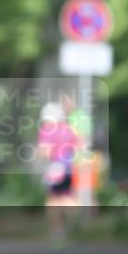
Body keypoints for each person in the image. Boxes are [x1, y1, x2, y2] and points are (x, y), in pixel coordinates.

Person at [38, 102, 80, 242]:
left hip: (55, 167)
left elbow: (46, 151)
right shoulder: (69, 129)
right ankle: (76, 224)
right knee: (68, 197)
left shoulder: (47, 129)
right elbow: (78, 147)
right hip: (70, 167)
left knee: (53, 200)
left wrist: (39, 154)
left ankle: (57, 231)